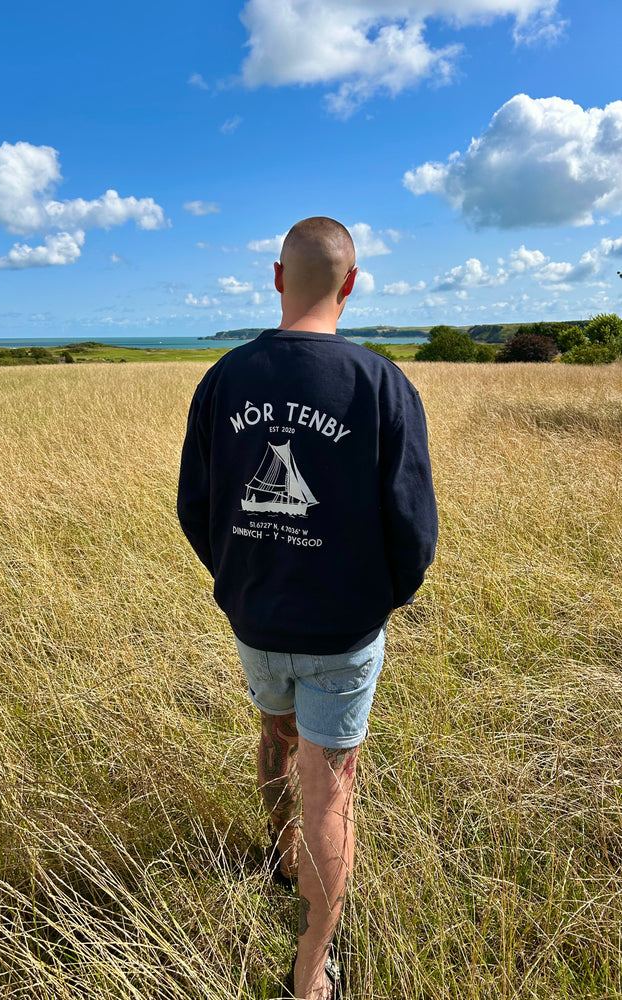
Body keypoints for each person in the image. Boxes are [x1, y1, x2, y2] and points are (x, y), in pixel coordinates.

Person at [177, 217, 438, 1000]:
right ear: (351, 285)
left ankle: (282, 849)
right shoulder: (381, 382)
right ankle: (313, 963)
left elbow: (197, 505)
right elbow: (413, 525)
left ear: (277, 277)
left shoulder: (225, 378)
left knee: (272, 732)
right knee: (334, 782)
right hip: (344, 629)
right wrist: (378, 602)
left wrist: (239, 579)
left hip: (256, 620)